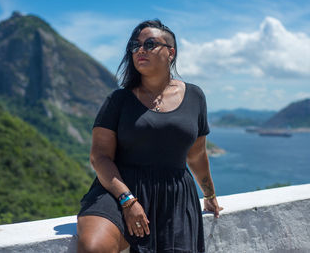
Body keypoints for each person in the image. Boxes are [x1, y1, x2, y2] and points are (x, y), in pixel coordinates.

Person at [77, 19, 222, 253]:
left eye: (150, 44)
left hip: (174, 197)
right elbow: (100, 157)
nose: (140, 50)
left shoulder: (195, 96)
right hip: (119, 191)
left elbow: (196, 154)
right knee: (94, 247)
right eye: (135, 46)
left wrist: (209, 194)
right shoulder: (118, 101)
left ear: (171, 52)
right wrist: (128, 201)